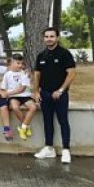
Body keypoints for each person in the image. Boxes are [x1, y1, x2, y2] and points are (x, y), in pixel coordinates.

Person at [33, 27, 76, 164]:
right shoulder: (41, 55)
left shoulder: (64, 54)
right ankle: (49, 148)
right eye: (46, 37)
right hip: (45, 94)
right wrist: (35, 91)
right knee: (47, 121)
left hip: (60, 94)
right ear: (44, 38)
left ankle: (66, 150)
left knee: (63, 121)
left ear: (57, 38)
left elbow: (72, 73)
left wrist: (61, 90)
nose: (49, 39)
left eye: (52, 36)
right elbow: (37, 75)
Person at [1, 54, 37, 141]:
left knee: (33, 107)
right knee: (15, 107)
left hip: (25, 95)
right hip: (14, 97)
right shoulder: (7, 75)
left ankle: (22, 128)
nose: (20, 65)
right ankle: (26, 126)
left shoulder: (24, 73)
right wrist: (3, 93)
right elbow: (3, 88)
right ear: (12, 63)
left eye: (21, 63)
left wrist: (8, 93)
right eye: (18, 63)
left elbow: (22, 89)